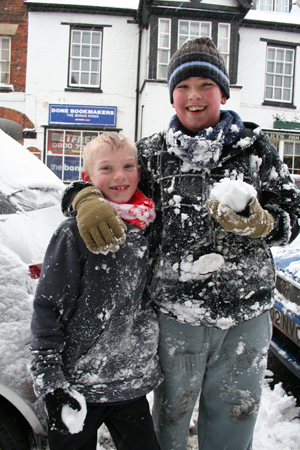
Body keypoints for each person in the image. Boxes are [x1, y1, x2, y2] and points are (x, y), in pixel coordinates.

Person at [61, 38, 300, 450]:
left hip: (246, 315)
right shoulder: (150, 154)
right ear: (171, 95)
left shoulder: (256, 150)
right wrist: (83, 199)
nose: (194, 95)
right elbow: (102, 182)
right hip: (174, 315)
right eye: (183, 85)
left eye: (205, 84)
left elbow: (292, 216)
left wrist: (265, 223)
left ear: (222, 93)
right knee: (168, 422)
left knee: (234, 418)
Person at [29, 132, 163, 450]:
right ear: (87, 178)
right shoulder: (73, 232)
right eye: (106, 169)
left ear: (139, 171)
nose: (120, 176)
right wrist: (51, 381)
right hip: (79, 385)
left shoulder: (151, 225)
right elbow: (48, 307)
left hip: (130, 382)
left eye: (128, 165)